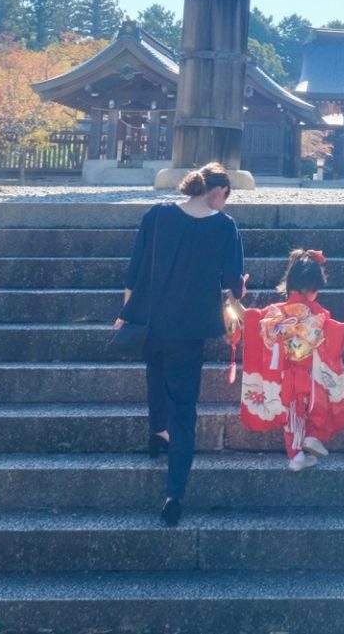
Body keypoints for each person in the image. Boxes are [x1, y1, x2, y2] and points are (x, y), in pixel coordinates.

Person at [115, 161, 244, 526]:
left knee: (155, 380)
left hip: (150, 321)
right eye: (225, 198)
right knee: (184, 407)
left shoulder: (157, 215)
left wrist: (127, 312)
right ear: (218, 193)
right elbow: (233, 283)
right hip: (189, 329)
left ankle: (158, 434)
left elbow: (135, 269)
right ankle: (175, 492)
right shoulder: (224, 226)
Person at [237, 249, 344, 471]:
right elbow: (335, 333)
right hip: (311, 376)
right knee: (318, 402)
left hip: (283, 376)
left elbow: (251, 319)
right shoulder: (318, 314)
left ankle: (296, 454)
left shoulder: (275, 312)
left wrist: (234, 301)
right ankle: (312, 436)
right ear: (313, 288)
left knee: (292, 413)